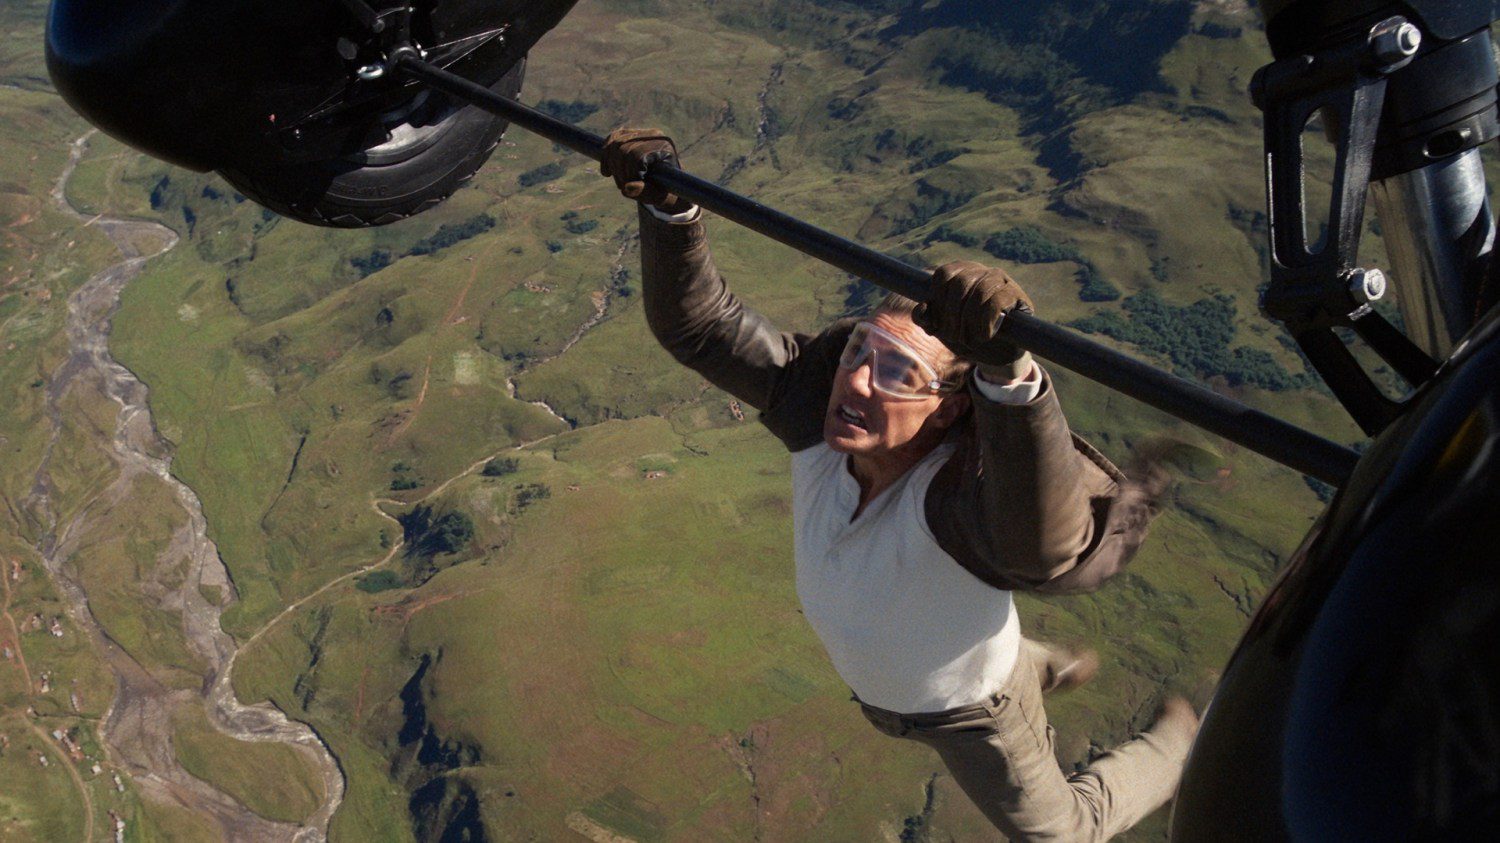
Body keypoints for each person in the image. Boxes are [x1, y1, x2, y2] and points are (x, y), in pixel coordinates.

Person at [600, 127, 1200, 841]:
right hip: (901, 691)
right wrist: (671, 210)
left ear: (946, 409)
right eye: (859, 349)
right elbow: (701, 328)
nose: (855, 380)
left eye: (894, 372)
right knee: (997, 661)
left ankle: (1178, 746)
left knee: (1064, 832)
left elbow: (1043, 542)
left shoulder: (955, 503)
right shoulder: (816, 423)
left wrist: (1008, 375)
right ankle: (1046, 663)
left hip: (973, 714)